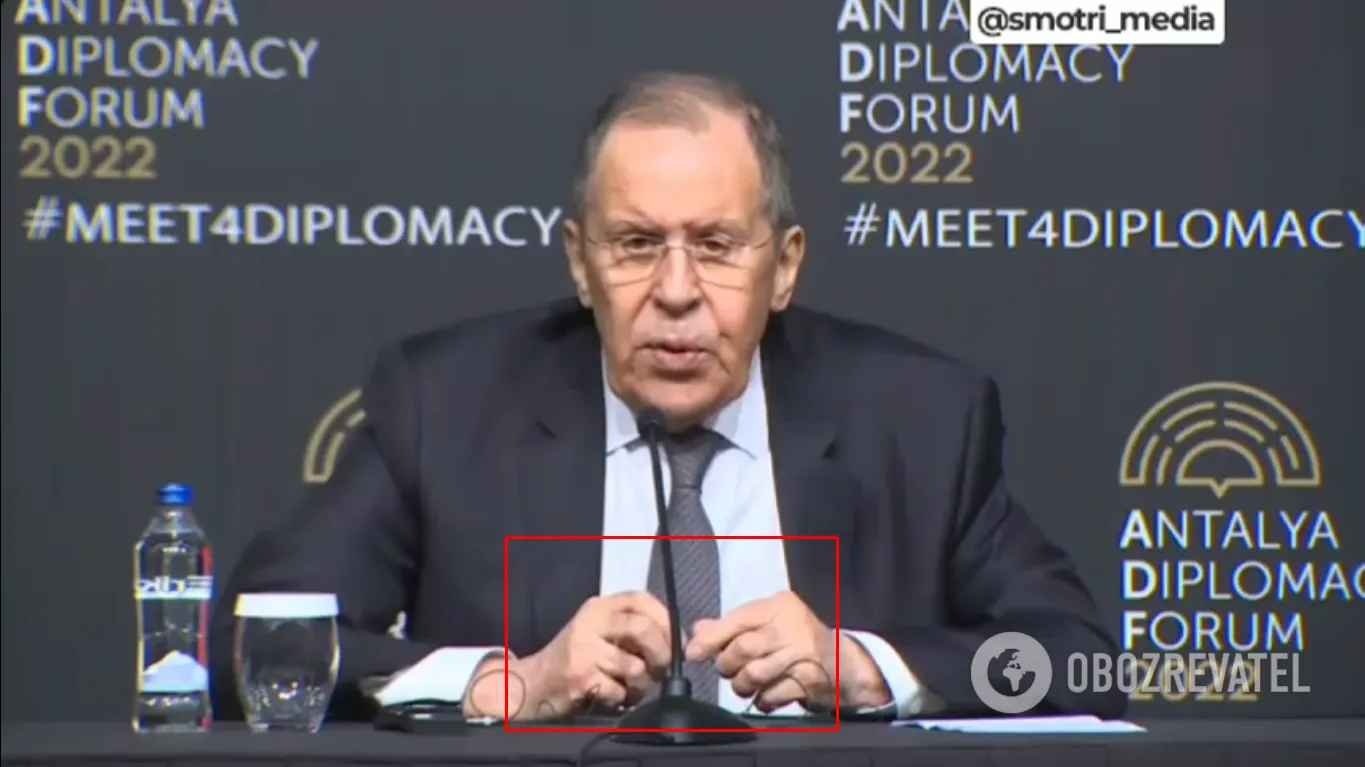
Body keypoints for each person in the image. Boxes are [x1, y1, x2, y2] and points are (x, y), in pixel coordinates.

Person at [211, 71, 1125, 722]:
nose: (677, 292)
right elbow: (247, 646)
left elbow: (1076, 662)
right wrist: (505, 684)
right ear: (580, 263)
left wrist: (866, 668)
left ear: (784, 267)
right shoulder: (446, 404)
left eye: (717, 246)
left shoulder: (918, 419)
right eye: (637, 244)